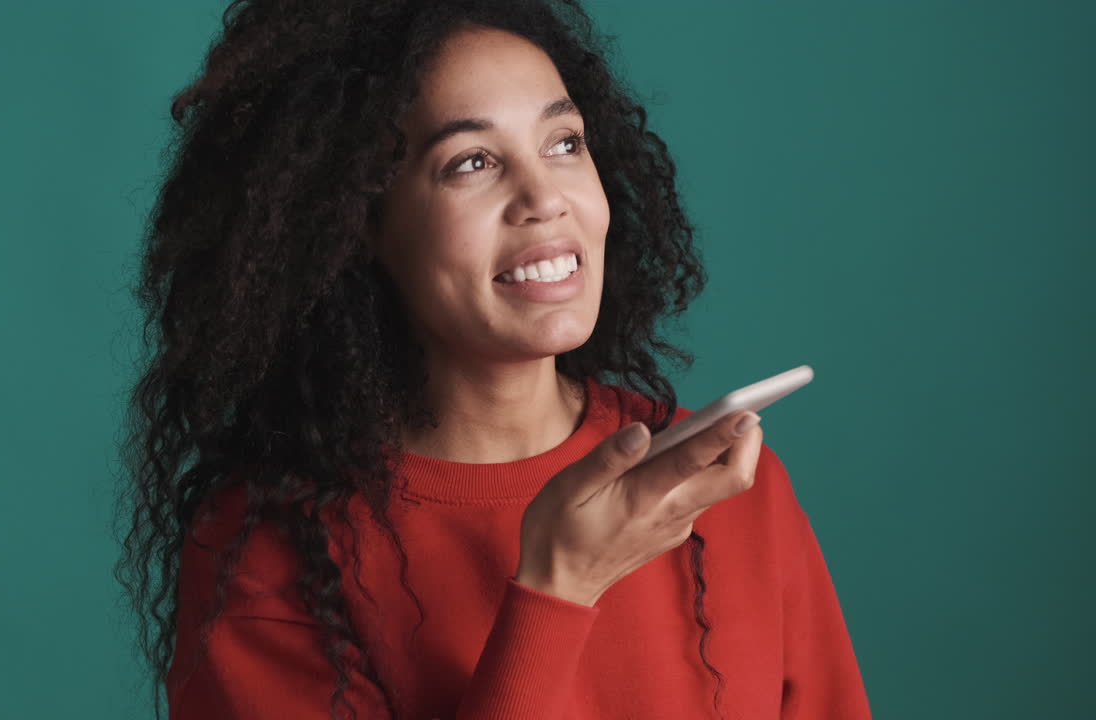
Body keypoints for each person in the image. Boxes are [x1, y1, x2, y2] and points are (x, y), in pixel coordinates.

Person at [114, 1, 873, 718]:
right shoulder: (269, 552)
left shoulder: (727, 484)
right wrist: (557, 590)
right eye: (471, 162)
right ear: (356, 224)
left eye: (565, 143)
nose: (545, 197)